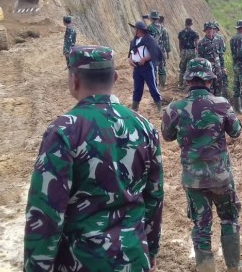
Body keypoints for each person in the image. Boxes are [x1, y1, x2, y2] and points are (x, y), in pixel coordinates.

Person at [24, 45, 164, 270]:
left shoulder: (63, 131)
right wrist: (152, 249)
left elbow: (46, 211)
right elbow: (154, 197)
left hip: (81, 261)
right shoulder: (145, 127)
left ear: (74, 80)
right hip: (134, 257)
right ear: (116, 77)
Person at [161, 58, 242, 272]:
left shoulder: (174, 108)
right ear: (210, 80)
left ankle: (206, 269)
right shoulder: (222, 104)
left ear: (188, 80)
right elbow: (236, 131)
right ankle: (234, 267)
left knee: (201, 227)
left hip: (193, 178)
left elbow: (167, 136)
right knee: (229, 219)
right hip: (221, 177)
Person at [128, 21, 163, 112]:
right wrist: (130, 60)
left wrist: (145, 59)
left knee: (152, 87)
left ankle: (159, 108)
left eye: (135, 29)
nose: (134, 30)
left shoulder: (149, 39)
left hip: (147, 67)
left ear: (139, 30)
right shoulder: (134, 41)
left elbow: (155, 53)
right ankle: (135, 108)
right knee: (137, 88)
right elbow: (131, 52)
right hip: (137, 68)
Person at [197, 22, 223, 96]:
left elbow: (221, 55)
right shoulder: (201, 43)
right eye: (207, 29)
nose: (209, 31)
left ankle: (218, 104)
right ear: (205, 31)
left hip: (218, 69)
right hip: (208, 70)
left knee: (219, 88)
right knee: (209, 89)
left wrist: (223, 67)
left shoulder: (218, 40)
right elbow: (200, 57)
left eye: (211, 29)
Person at [178, 17, 199, 89]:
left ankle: (180, 84)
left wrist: (180, 51)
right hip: (191, 51)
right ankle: (188, 84)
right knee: (190, 68)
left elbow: (180, 43)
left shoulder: (181, 33)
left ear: (185, 23)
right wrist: (197, 51)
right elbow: (196, 44)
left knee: (182, 68)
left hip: (183, 51)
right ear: (192, 24)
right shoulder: (195, 33)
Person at [212, 22, 230, 99]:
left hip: (209, 65)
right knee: (222, 81)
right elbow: (223, 51)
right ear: (217, 29)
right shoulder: (220, 38)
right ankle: (223, 99)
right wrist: (223, 67)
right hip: (218, 64)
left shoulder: (206, 38)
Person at [157, 14, 171, 87]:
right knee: (162, 67)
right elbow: (167, 42)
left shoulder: (154, 28)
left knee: (154, 68)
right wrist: (168, 53)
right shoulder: (164, 30)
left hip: (154, 51)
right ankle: (162, 83)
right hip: (162, 51)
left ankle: (155, 84)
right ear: (163, 21)